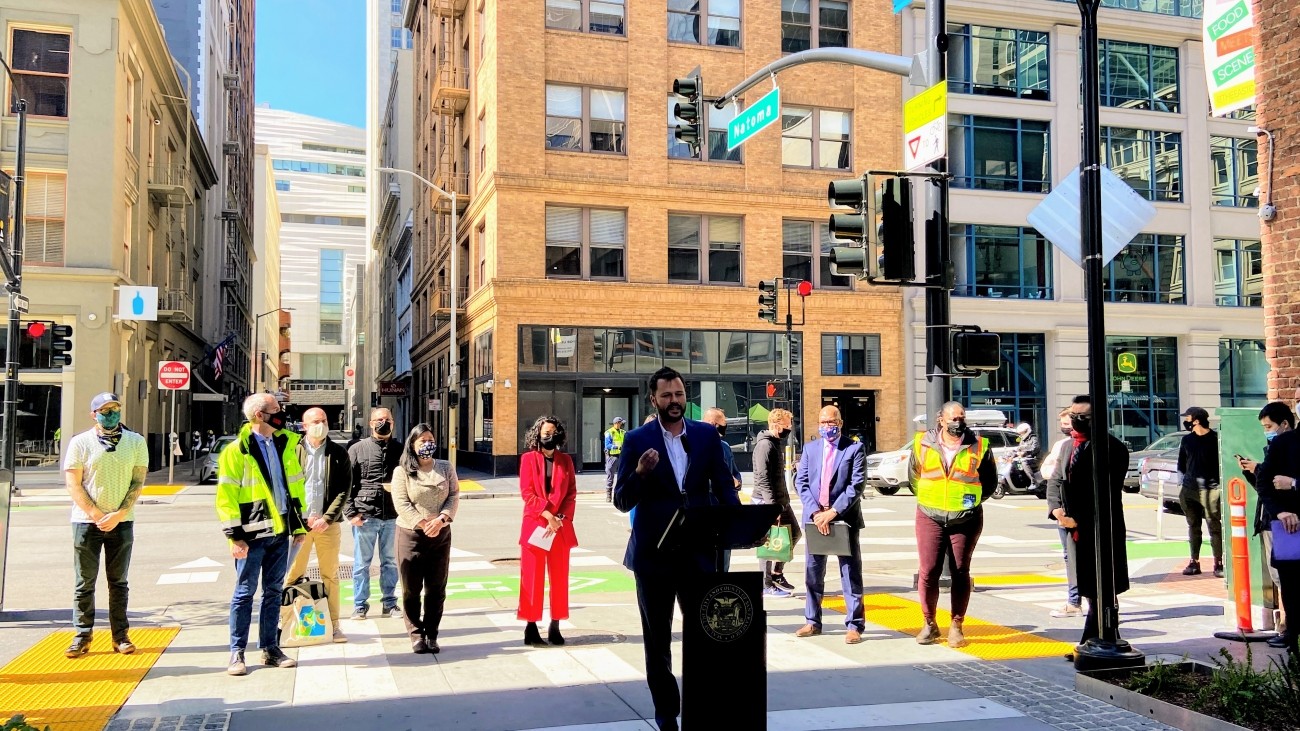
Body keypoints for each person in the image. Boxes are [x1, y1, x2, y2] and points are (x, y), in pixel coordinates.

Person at [613, 366, 739, 731]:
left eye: (679, 394)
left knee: (704, 637)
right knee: (658, 641)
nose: (674, 402)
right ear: (653, 399)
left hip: (697, 553)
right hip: (653, 558)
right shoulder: (637, 440)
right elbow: (621, 500)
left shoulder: (704, 436)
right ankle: (667, 713)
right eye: (666, 395)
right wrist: (638, 474)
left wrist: (739, 526)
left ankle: (701, 708)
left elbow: (725, 490)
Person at [217, 393, 308, 676]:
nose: (281, 414)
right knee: (244, 593)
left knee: (273, 592)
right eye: (276, 410)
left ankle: (271, 648)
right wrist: (234, 535)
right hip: (251, 535)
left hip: (281, 532)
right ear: (259, 414)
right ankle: (237, 653)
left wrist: (299, 525)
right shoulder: (236, 450)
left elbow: (295, 488)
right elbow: (226, 495)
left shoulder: (285, 445)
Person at [62, 392, 149, 658]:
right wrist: (95, 513)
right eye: (105, 410)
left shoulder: (136, 442)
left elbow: (137, 482)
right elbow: (73, 483)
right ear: (94, 414)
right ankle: (82, 634)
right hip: (86, 522)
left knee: (118, 582)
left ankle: (120, 636)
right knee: (84, 582)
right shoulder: (80, 443)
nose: (111, 415)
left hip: (121, 522)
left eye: (115, 409)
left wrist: (119, 514)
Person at [909, 401, 997, 648]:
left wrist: (968, 501)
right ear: (941, 419)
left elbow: (989, 482)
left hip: (966, 518)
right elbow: (913, 477)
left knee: (960, 570)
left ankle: (956, 625)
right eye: (953, 418)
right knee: (928, 571)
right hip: (929, 514)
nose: (958, 422)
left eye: (962, 417)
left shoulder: (979, 445)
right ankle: (929, 623)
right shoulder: (922, 443)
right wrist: (932, 498)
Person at [1045, 394, 1130, 645]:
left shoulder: (1111, 448)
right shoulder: (1068, 446)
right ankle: (1099, 638)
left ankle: (1095, 641)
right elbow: (1056, 479)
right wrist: (1056, 509)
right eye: (1073, 416)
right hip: (1071, 525)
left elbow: (1104, 493)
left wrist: (1076, 519)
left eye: (1082, 417)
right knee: (1087, 585)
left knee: (1102, 586)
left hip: (1101, 528)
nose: (1076, 421)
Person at [794, 405, 867, 644]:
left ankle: (854, 625)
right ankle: (812, 621)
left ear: (841, 422)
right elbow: (801, 482)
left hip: (843, 519)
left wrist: (833, 513)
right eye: (823, 422)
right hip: (815, 520)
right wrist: (816, 512)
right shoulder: (810, 449)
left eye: (832, 421)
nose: (828, 426)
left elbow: (856, 485)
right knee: (813, 573)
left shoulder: (854, 448)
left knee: (850, 572)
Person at [285, 407, 353, 643]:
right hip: (299, 526)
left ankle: (334, 625)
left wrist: (326, 518)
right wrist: (300, 519)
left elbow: (344, 489)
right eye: (315, 421)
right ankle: (285, 623)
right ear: (304, 426)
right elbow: (285, 489)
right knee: (292, 574)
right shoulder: (292, 452)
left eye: (324, 420)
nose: (321, 424)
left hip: (328, 526)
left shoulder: (337, 453)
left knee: (330, 575)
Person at [391, 423, 459, 654]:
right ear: (412, 444)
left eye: (430, 439)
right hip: (410, 535)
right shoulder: (402, 471)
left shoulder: (445, 467)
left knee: (436, 588)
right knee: (411, 589)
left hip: (440, 535)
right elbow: (401, 502)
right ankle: (416, 634)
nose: (427, 444)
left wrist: (441, 520)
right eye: (422, 441)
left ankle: (432, 634)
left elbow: (454, 494)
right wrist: (422, 523)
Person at [518, 416, 578, 647]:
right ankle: (531, 626)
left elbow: (571, 493)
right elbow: (527, 493)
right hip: (536, 525)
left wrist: (560, 518)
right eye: (545, 432)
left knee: (560, 578)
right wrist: (548, 516)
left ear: (559, 434)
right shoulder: (528, 459)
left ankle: (555, 624)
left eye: (552, 432)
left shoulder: (566, 461)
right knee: (532, 578)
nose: (548, 435)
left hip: (559, 529)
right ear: (537, 434)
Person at [1240, 401, 1294, 649]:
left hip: (1284, 524)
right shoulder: (1280, 445)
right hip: (1283, 526)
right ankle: (1289, 630)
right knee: (1287, 579)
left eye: (1269, 426)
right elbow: (1265, 486)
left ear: (1284, 423)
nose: (1267, 431)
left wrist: (1293, 484)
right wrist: (1280, 512)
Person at [345, 407, 403, 620]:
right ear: (371, 424)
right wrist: (351, 513)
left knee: (390, 562)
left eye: (387, 419)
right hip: (365, 515)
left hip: (394, 516)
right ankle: (360, 605)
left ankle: (390, 603)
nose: (383, 422)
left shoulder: (401, 449)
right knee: (362, 563)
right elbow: (347, 483)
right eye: (379, 419)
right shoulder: (357, 449)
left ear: (393, 422)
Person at [752, 408, 800, 597]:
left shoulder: (774, 443)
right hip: (767, 502)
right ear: (777, 424)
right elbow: (763, 479)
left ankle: (777, 573)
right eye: (787, 424)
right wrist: (772, 508)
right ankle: (765, 584)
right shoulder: (765, 446)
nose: (789, 428)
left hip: (780, 500)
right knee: (768, 542)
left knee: (794, 534)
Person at [1040, 408, 1083, 619]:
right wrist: (1056, 510)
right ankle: (1074, 601)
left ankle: (1099, 602)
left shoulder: (1100, 445)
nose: (1066, 427)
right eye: (1064, 423)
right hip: (1065, 512)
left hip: (1084, 513)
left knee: (1092, 557)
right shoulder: (1063, 445)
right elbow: (1050, 473)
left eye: (1069, 423)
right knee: (1069, 556)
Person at [1177, 407, 1224, 577]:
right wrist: (1181, 482)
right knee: (1193, 526)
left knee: (1214, 526)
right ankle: (1194, 561)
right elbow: (1181, 463)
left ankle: (1218, 562)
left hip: (1211, 489)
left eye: (1188, 418)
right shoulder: (1187, 440)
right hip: (1189, 489)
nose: (1185, 421)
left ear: (1196, 420)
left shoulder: (1216, 439)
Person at [701, 407, 743, 492]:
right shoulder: (696, 447)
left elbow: (735, 472)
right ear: (713, 424)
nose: (725, 427)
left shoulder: (725, 446)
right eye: (723, 424)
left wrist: (738, 482)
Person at [603, 416, 626, 503]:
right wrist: (616, 446)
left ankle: (620, 495)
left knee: (622, 475)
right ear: (616, 423)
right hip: (612, 456)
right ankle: (609, 496)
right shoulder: (609, 432)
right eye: (620, 423)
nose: (622, 424)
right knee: (610, 475)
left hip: (621, 456)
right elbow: (607, 445)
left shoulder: (623, 432)